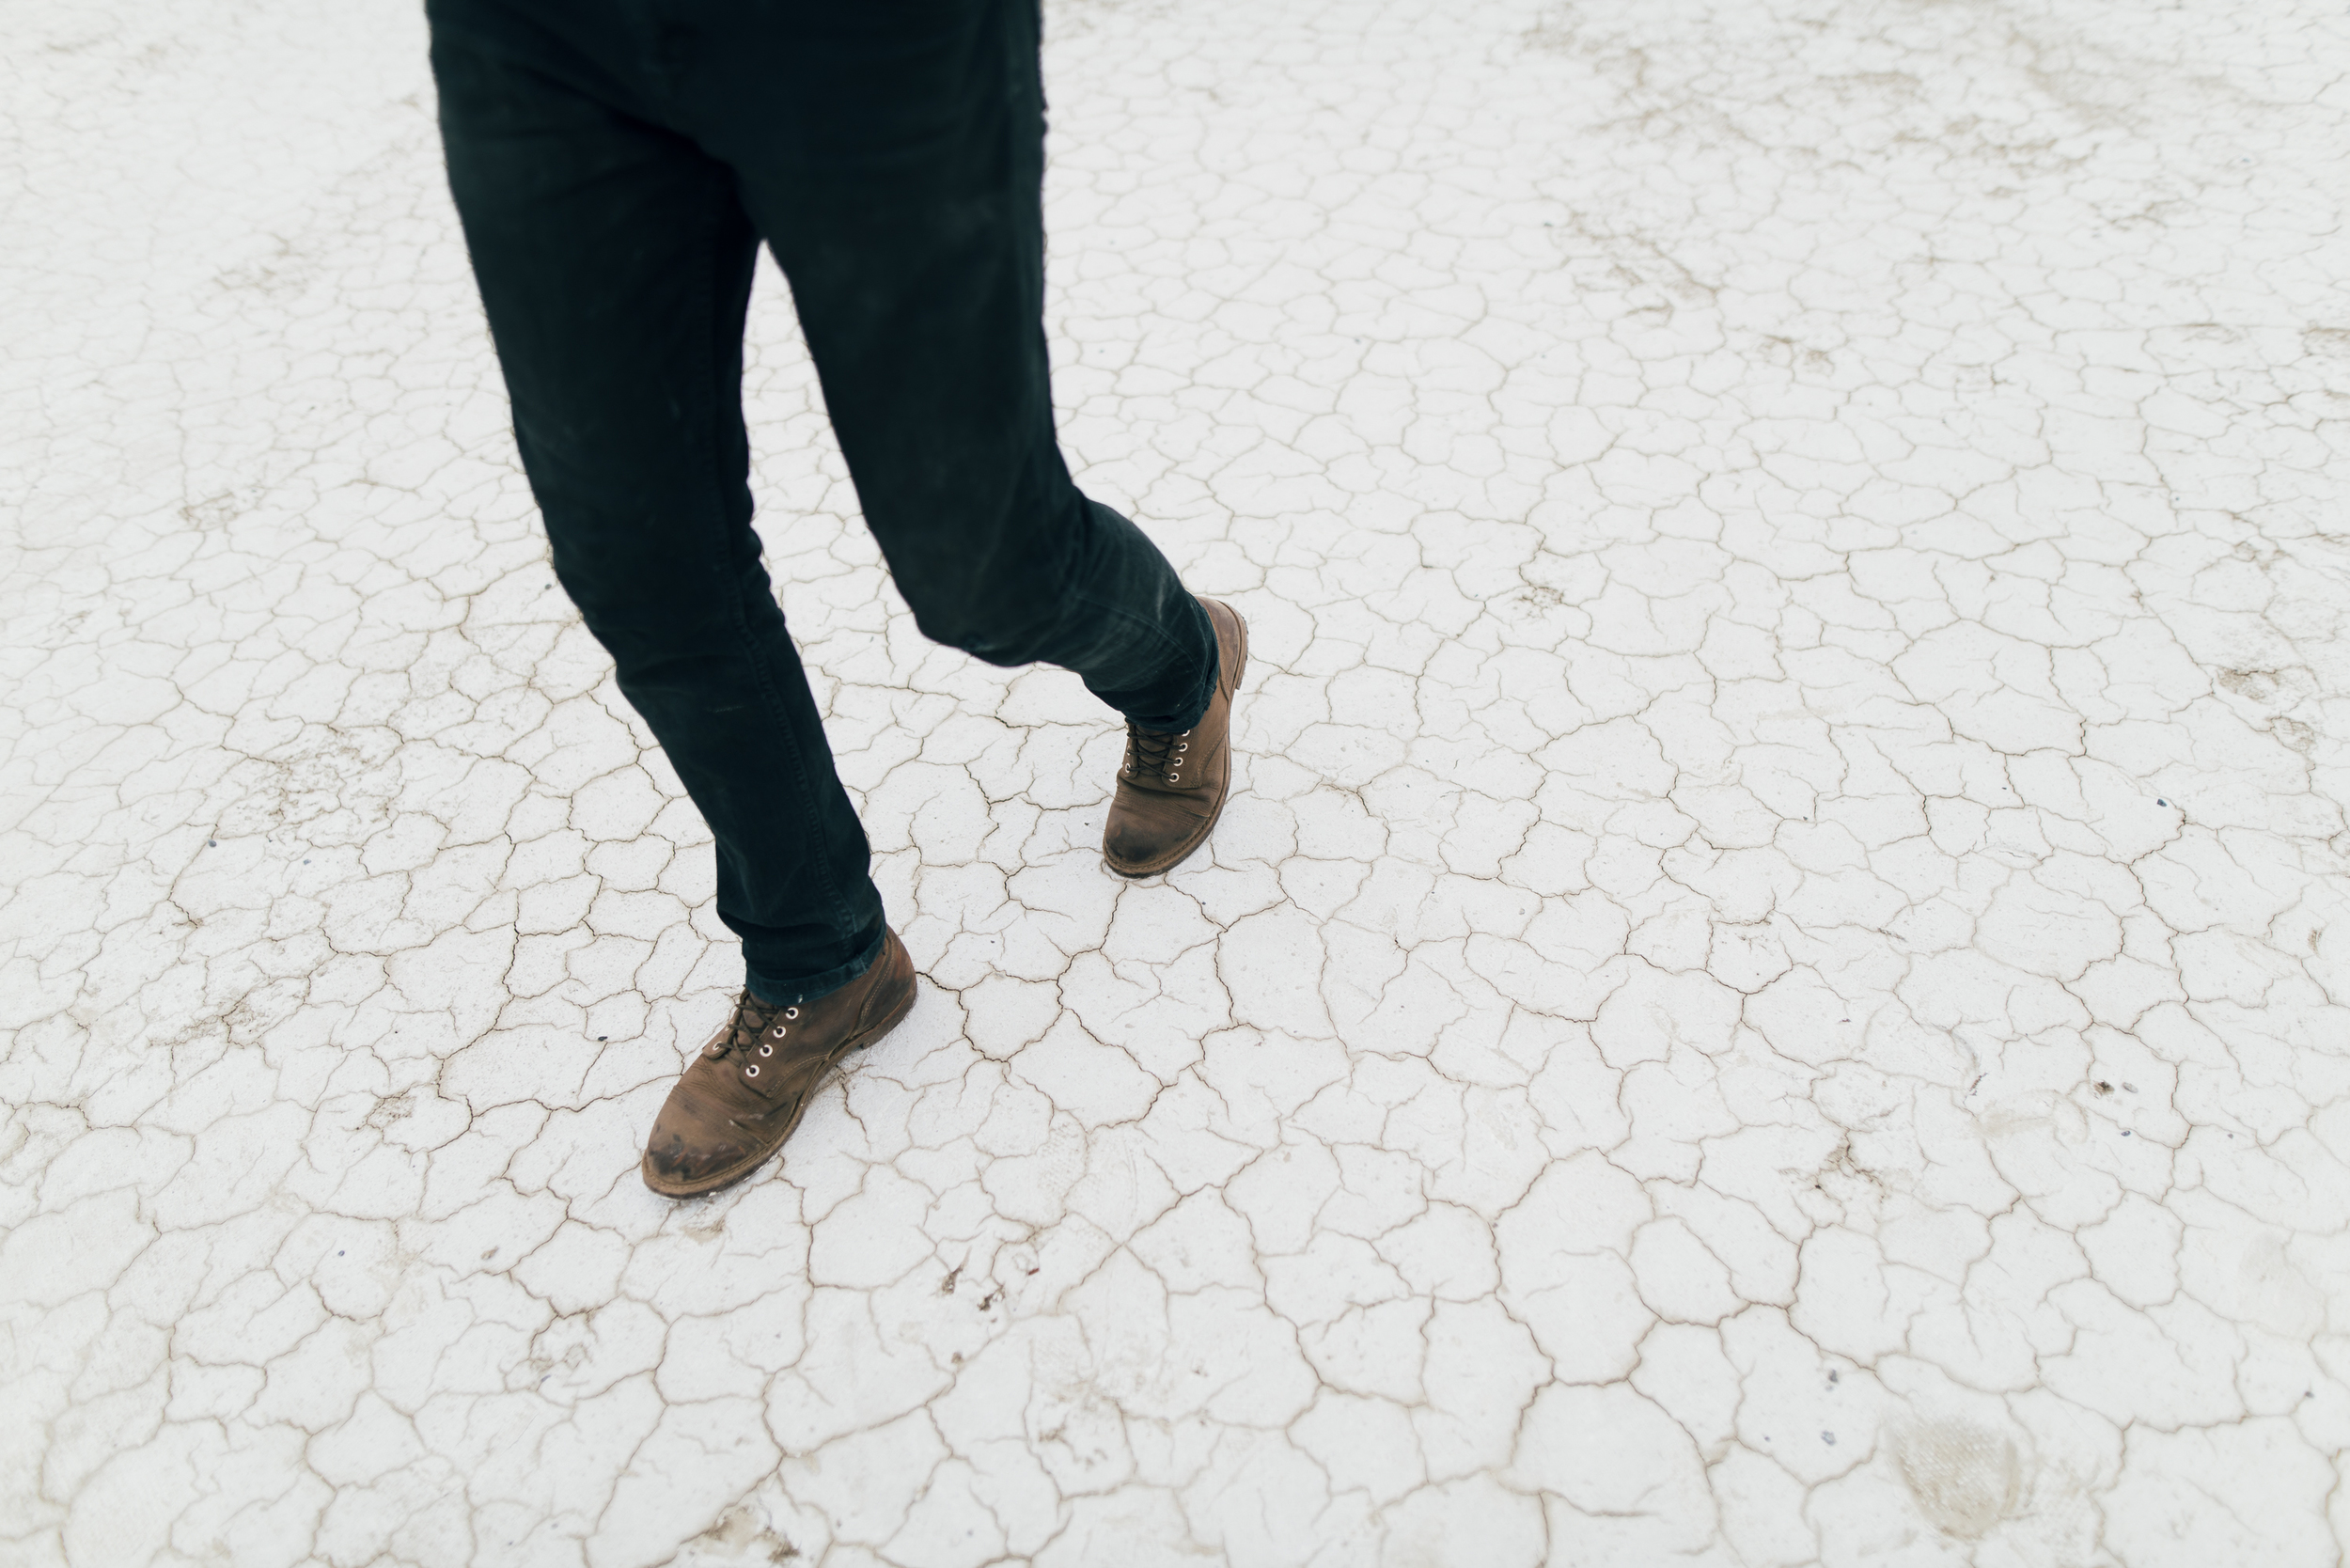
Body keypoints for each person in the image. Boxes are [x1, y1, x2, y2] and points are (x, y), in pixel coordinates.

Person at [425, 0, 1247, 1199]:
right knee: (635, 553)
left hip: (861, 41)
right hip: (543, 45)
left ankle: (1181, 663)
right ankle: (821, 961)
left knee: (984, 564)